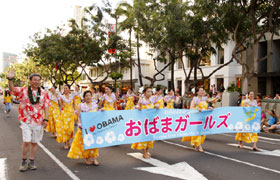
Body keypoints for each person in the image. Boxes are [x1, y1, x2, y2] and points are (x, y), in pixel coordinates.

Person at [7, 71, 50, 172]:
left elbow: (46, 106)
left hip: (38, 121)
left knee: (34, 142)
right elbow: (12, 89)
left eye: (38, 80)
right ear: (30, 81)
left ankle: (32, 161)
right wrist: (10, 79)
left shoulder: (44, 93)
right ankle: (23, 161)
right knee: (26, 141)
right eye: (34, 80)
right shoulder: (24, 90)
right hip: (26, 120)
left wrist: (46, 119)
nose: (36, 82)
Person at [67, 90, 99, 165]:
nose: (88, 97)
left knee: (94, 142)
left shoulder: (95, 105)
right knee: (85, 142)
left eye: (89, 95)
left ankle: (95, 158)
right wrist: (79, 124)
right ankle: (87, 158)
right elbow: (78, 116)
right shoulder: (81, 105)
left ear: (92, 97)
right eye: (86, 96)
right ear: (84, 97)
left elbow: (97, 115)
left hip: (93, 127)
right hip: (84, 127)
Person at [182, 88, 213, 152]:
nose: (202, 92)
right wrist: (197, 108)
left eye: (203, 90)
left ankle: (194, 142)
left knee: (202, 132)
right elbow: (191, 108)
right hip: (197, 118)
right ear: (197, 92)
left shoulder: (204, 99)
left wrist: (209, 108)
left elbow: (205, 106)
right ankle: (199, 146)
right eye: (200, 91)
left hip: (204, 118)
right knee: (198, 132)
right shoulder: (195, 99)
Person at [131, 87, 159, 159]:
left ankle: (147, 150)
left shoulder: (152, 99)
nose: (150, 93)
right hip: (144, 122)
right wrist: (138, 107)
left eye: (151, 91)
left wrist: (157, 106)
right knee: (145, 136)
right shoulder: (142, 100)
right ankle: (144, 152)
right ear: (144, 93)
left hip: (152, 121)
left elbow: (157, 106)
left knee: (150, 137)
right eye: (148, 91)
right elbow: (137, 106)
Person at [56, 85, 76, 149]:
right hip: (64, 114)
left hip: (71, 114)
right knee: (65, 129)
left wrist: (76, 114)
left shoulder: (72, 96)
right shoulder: (62, 97)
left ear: (69, 89)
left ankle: (68, 141)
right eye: (64, 88)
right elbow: (60, 105)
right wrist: (58, 100)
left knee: (70, 129)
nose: (65, 90)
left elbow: (74, 105)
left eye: (66, 88)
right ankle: (66, 143)